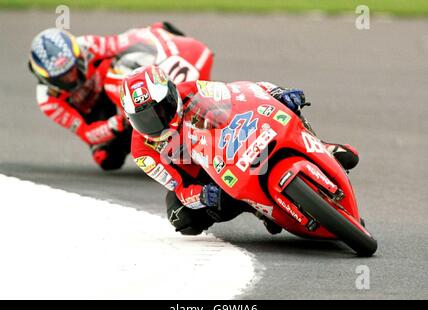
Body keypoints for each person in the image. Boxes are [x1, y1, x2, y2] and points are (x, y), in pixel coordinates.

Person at [120, 66, 359, 235]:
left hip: (230, 142)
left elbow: (242, 93)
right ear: (131, 120)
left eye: (161, 109)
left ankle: (319, 146)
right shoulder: (142, 150)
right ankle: (256, 208)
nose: (158, 121)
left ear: (171, 94)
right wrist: (201, 195)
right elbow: (178, 186)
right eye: (145, 119)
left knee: (288, 106)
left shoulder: (190, 90)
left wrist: (278, 93)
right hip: (204, 176)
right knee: (182, 220)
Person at [28, 22, 210, 170]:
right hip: (98, 114)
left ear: (78, 55)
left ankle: (163, 111)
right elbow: (87, 133)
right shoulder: (48, 100)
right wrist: (119, 122)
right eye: (62, 77)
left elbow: (128, 40)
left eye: (73, 68)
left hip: (116, 86)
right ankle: (152, 137)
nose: (72, 77)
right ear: (46, 78)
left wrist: (157, 33)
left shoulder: (88, 46)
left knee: (118, 71)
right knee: (106, 158)